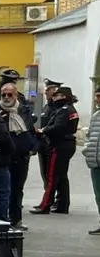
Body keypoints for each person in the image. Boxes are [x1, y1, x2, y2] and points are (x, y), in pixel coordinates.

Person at [0, 82, 38, 228]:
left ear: (16, 95)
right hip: (2, 156)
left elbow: (31, 130)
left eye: (10, 94)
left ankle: (16, 219)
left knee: (17, 189)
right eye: (3, 95)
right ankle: (0, 220)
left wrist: (33, 147)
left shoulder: (24, 110)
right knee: (2, 190)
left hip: (21, 157)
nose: (6, 97)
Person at [33, 85, 79, 214]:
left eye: (56, 95)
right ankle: (62, 205)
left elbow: (58, 127)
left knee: (52, 176)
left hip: (60, 145)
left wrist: (43, 130)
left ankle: (45, 205)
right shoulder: (69, 108)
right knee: (61, 176)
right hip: (67, 144)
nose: (53, 98)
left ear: (63, 96)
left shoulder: (63, 110)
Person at [37, 79, 61, 189]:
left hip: (51, 145)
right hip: (42, 145)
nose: (46, 92)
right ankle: (47, 194)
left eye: (48, 90)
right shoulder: (47, 106)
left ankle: (51, 196)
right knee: (44, 172)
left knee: (52, 174)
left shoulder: (58, 107)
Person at [82, 88, 100, 235]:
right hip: (95, 162)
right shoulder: (96, 116)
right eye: (96, 96)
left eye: (99, 96)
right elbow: (88, 135)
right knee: (99, 195)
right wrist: (87, 149)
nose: (96, 99)